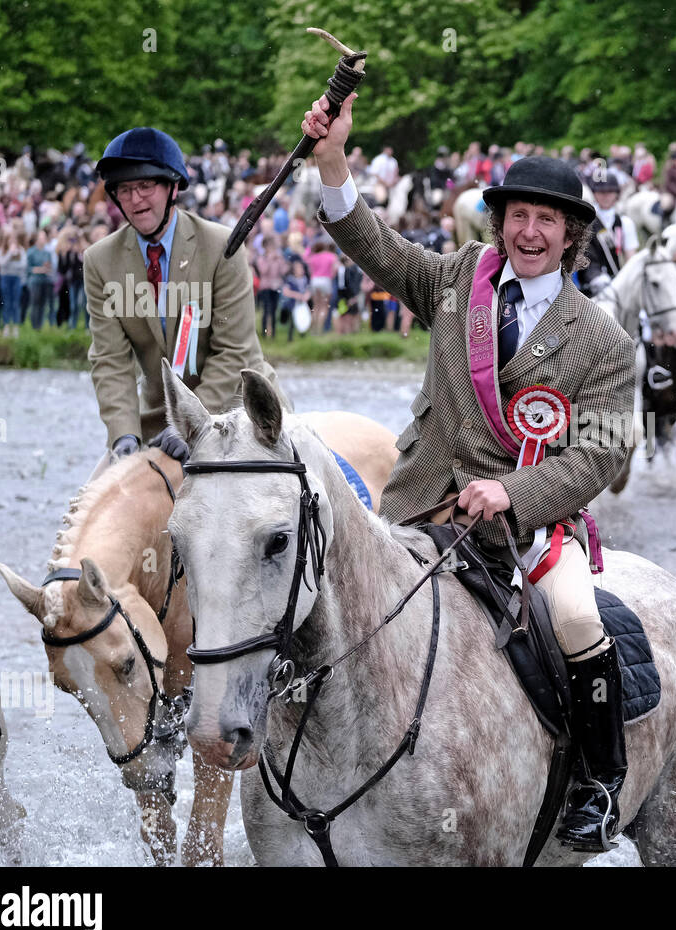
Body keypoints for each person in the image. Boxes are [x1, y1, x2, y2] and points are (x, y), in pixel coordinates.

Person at [304, 91, 636, 852]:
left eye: (547, 220)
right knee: (322, 606)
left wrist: (512, 493)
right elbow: (377, 246)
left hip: (529, 530)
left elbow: (600, 453)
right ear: (500, 221)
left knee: (581, 621)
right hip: (418, 509)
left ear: (571, 234)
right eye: (518, 215)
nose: (529, 231)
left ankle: (597, 784)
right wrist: (331, 160)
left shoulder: (605, 343)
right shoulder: (458, 279)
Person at [84, 126, 286, 474]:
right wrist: (123, 435)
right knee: (88, 511)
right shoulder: (100, 261)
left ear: (173, 186)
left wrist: (195, 423)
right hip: (158, 420)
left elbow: (234, 351)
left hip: (240, 410)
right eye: (125, 190)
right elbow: (110, 361)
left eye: (146, 186)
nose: (135, 200)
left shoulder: (223, 247)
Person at [577, 169, 637, 294]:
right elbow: (583, 256)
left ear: (616, 194)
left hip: (618, 283)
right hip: (592, 284)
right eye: (601, 192)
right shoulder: (586, 222)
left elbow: (631, 259)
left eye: (610, 191)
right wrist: (595, 277)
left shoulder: (625, 223)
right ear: (594, 193)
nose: (605, 196)